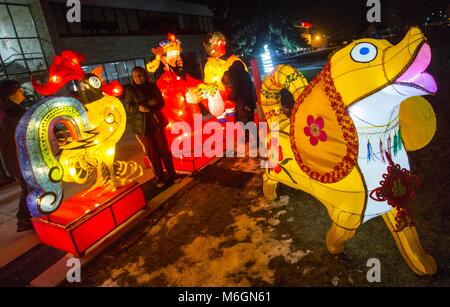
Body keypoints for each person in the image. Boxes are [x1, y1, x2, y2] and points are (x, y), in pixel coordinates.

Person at [124, 67, 180, 188]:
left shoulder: (152, 87)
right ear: (132, 78)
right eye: (135, 76)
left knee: (164, 150)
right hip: (142, 127)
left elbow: (161, 103)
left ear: (145, 75)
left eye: (140, 75)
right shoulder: (130, 90)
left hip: (156, 123)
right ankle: (159, 177)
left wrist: (150, 108)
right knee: (152, 153)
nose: (138, 78)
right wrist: (140, 107)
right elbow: (128, 109)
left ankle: (172, 174)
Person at [0, 79, 33, 232]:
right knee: (31, 186)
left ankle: (25, 219)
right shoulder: (14, 114)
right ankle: (25, 219)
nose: (22, 92)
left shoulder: (7, 112)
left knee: (27, 187)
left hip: (14, 160)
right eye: (19, 90)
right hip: (20, 160)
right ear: (11, 95)